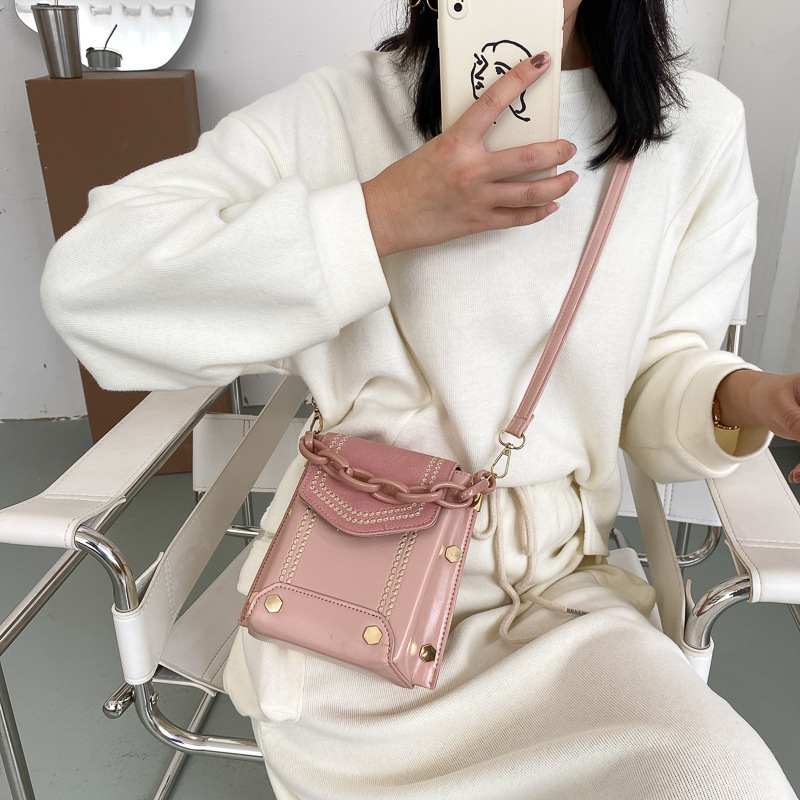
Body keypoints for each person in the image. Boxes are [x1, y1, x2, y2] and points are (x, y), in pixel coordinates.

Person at [40, 0, 800, 797]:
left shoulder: (696, 128)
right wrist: (379, 216)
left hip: (561, 602)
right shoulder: (343, 109)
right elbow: (88, 282)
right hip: (353, 596)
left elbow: (652, 374)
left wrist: (751, 398)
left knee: (723, 779)